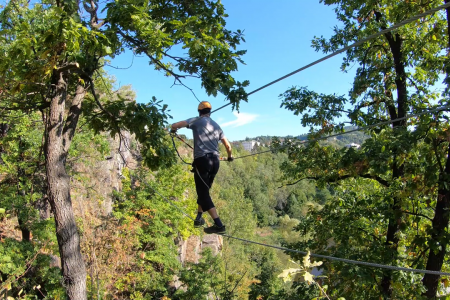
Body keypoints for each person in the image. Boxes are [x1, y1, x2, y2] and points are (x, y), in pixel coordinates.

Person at [171, 101, 233, 234]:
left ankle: (219, 225)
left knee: (203, 193)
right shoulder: (217, 126)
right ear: (210, 112)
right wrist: (230, 156)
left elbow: (175, 125)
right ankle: (199, 218)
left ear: (199, 112)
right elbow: (228, 146)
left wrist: (173, 130)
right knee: (203, 191)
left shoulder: (196, 121)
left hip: (202, 161)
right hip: (215, 162)